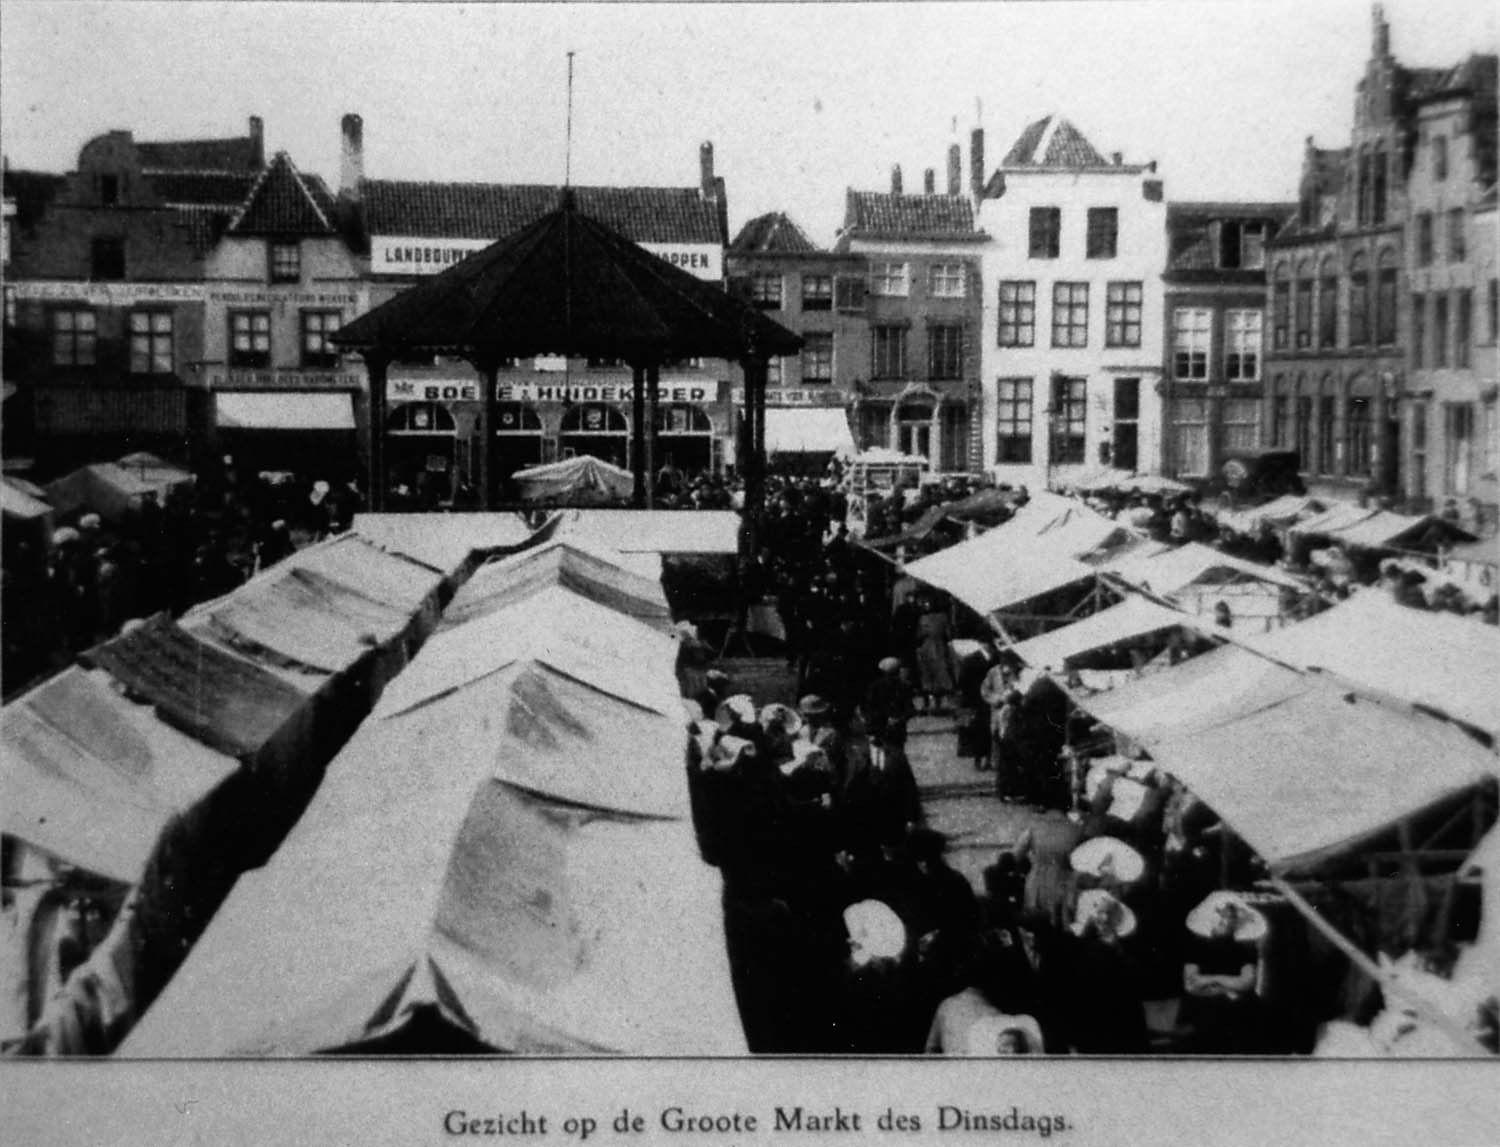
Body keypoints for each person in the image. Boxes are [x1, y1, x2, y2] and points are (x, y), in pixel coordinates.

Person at [1180, 892, 1266, 1053]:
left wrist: (1210, 979)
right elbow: (1190, 984)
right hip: (1203, 1010)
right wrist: (1229, 987)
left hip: (1239, 1011)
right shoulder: (1196, 945)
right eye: (1219, 915)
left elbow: (1247, 982)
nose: (1224, 921)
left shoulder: (1246, 947)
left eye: (1230, 917)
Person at [911, 594, 956, 713]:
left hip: (936, 647)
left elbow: (948, 633)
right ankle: (936, 704)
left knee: (938, 674)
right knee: (934, 674)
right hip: (931, 648)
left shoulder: (940, 617)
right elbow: (919, 634)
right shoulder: (927, 618)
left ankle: (940, 703)